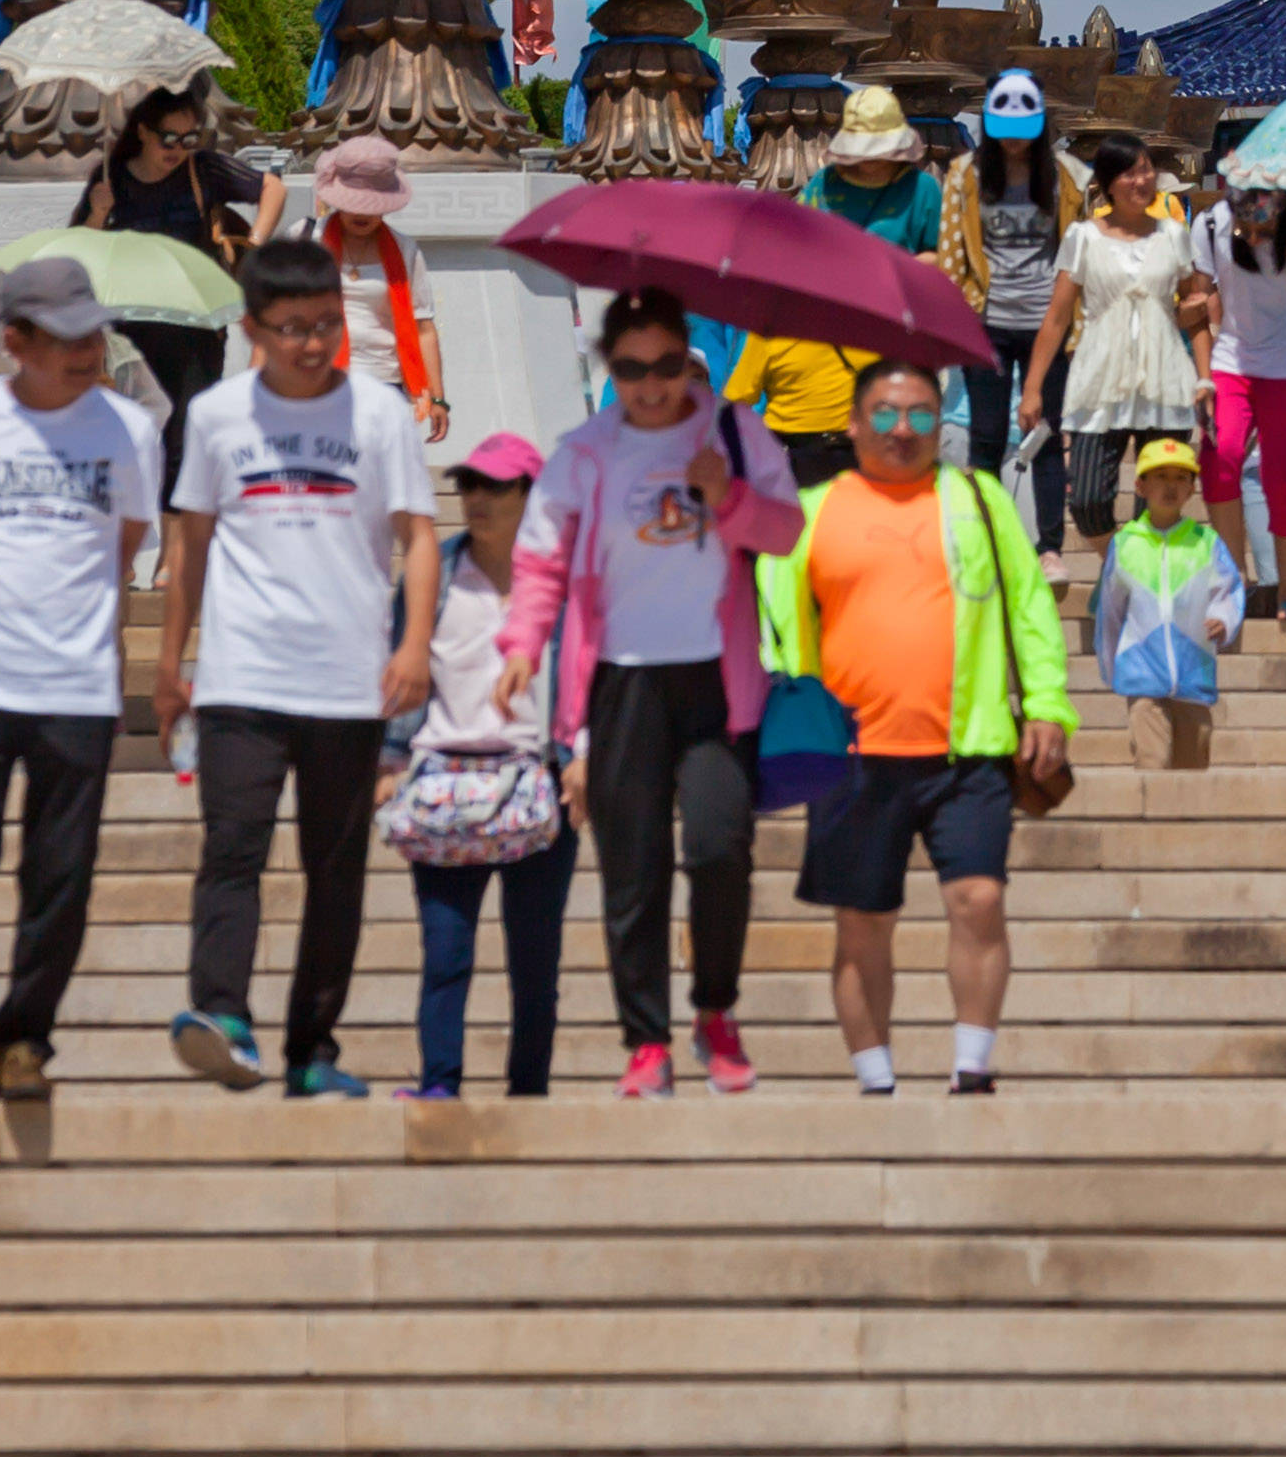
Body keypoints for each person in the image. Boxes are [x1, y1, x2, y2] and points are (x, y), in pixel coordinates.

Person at [498, 287, 807, 1097]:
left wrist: (726, 497)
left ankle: (714, 1010)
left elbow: (785, 532)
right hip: (617, 682)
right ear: (610, 367)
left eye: (667, 365)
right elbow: (538, 562)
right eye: (631, 368)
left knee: (717, 849)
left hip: (716, 680)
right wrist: (523, 645)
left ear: (690, 358)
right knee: (631, 870)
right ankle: (646, 1042)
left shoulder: (734, 433)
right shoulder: (584, 450)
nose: (650, 384)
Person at [159, 235, 441, 1096]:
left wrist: (416, 645)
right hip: (244, 677)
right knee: (232, 850)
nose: (313, 344)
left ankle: (312, 1050)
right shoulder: (218, 416)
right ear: (253, 328)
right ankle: (221, 1015)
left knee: (336, 869)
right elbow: (191, 539)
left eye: (325, 324)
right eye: (292, 328)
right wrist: (171, 661)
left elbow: (419, 536)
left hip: (349, 682)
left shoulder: (381, 415)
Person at [0, 254, 165, 1102]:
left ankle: (24, 1036)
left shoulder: (130, 430)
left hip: (78, 685)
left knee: (61, 874)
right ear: (15, 340)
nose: (88, 348)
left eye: (93, 328)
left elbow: (126, 543)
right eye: (64, 335)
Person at [790, 354, 1073, 1095]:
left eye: (921, 411)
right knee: (863, 922)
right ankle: (875, 1074)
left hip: (969, 747)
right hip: (852, 755)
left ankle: (972, 1064)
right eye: (885, 412)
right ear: (852, 425)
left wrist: (1046, 703)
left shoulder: (977, 498)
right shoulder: (816, 511)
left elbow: (1029, 609)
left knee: (978, 899)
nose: (904, 427)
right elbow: (779, 630)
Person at [396, 431, 576, 1102]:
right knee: (446, 951)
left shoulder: (561, 580)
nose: (476, 498)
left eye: (495, 485)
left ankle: (528, 1092)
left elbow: (582, 674)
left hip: (539, 779)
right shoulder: (433, 572)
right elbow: (399, 660)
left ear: (531, 494)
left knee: (536, 960)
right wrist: (389, 756)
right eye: (468, 483)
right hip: (444, 777)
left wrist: (581, 759)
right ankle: (440, 1084)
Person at [78, 76, 284, 440]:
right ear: (142, 132)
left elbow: (273, 187)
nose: (178, 149)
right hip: (133, 324)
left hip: (196, 323)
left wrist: (253, 243)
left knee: (189, 430)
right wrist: (98, 212)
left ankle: (180, 498)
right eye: (168, 138)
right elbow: (83, 249)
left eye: (189, 138)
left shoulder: (202, 169)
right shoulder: (113, 178)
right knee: (139, 429)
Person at [765, 85, 949, 482]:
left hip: (895, 327)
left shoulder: (923, 190)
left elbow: (941, 258)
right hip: (832, 329)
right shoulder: (823, 186)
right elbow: (796, 245)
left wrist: (893, 266)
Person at [1033, 139, 1204, 534]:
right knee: (1088, 500)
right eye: (1129, 173)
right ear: (1109, 183)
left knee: (1159, 504)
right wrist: (1033, 386)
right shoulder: (1083, 237)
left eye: (1146, 170)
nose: (1141, 180)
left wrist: (1205, 375)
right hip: (1100, 379)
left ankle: (1146, 586)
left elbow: (1192, 308)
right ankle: (1121, 567)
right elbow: (1057, 318)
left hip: (1164, 378)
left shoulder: (1174, 236)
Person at [1193, 182, 1286, 613]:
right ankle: (1233, 576)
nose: (1254, 240)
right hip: (1231, 360)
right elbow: (1197, 301)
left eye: (1264, 231)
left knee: (1284, 478)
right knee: (1219, 457)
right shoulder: (1209, 223)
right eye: (1246, 231)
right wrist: (1202, 376)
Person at [1090, 433, 1246, 769]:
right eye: (1160, 476)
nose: (1170, 486)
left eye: (1180, 478)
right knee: (1153, 761)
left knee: (1193, 765)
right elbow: (1111, 611)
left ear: (1192, 489)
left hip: (1194, 672)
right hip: (1142, 673)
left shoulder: (1205, 542)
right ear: (1141, 486)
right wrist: (1111, 665)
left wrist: (1224, 619)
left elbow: (1229, 590)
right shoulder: (1126, 543)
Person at [964, 73, 1074, 544]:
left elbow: (1072, 253)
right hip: (989, 322)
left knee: (1045, 436)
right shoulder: (968, 176)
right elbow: (957, 249)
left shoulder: (1060, 177)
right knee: (986, 435)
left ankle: (1049, 545)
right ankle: (983, 537)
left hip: (1045, 321)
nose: (1012, 137)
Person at [296, 134, 449, 441]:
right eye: (354, 202)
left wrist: (437, 397)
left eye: (373, 204)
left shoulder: (406, 250)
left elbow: (423, 328)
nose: (362, 213)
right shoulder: (305, 238)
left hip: (384, 382)